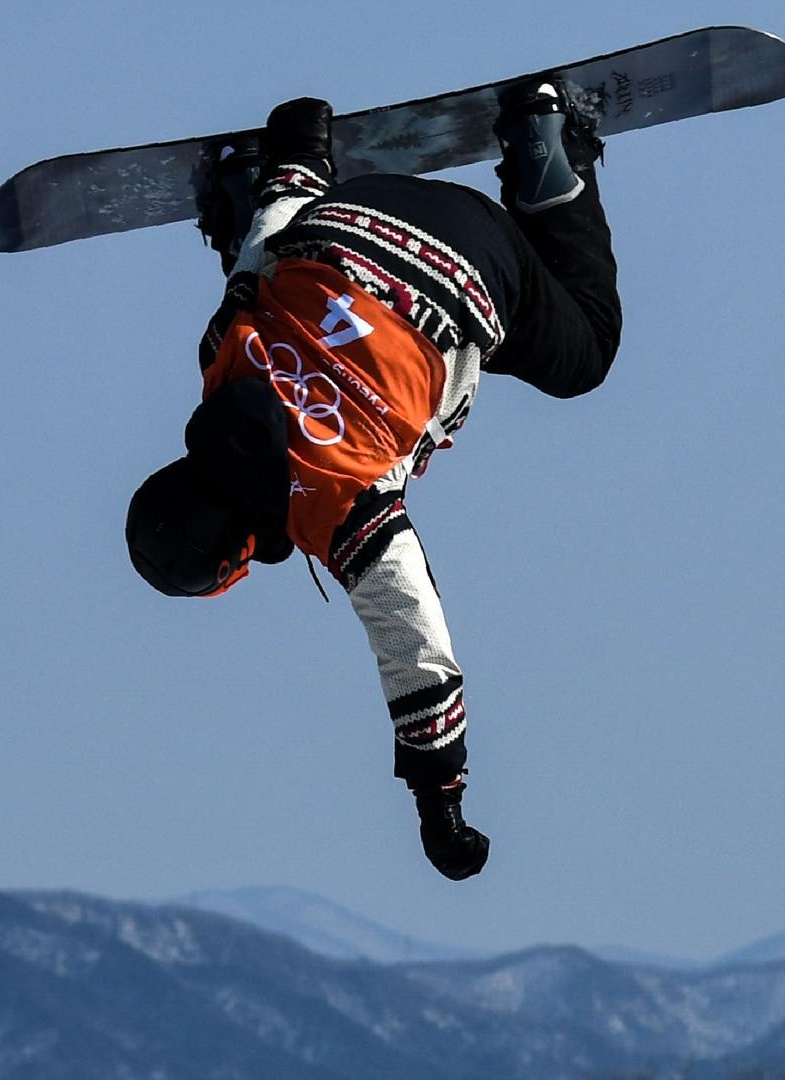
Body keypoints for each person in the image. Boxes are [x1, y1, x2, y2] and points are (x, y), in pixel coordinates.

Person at [125, 88, 621, 880]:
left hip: (469, 259)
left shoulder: (337, 508)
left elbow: (414, 646)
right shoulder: (220, 364)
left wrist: (439, 801)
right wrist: (296, 159)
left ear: (238, 550)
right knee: (274, 279)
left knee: (587, 352)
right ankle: (240, 184)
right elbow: (259, 262)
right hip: (358, 210)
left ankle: (546, 152)